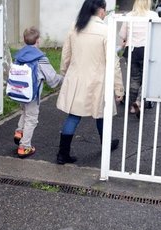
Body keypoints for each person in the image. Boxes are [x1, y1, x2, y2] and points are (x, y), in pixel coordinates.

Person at [56, 0, 124, 165]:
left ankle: (62, 153)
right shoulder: (105, 30)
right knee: (101, 115)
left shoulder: (75, 26)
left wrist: (64, 72)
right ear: (101, 10)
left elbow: (66, 54)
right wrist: (118, 89)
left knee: (73, 116)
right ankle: (105, 145)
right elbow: (113, 63)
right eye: (105, 10)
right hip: (97, 82)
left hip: (76, 78)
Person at [12, 26, 63, 158]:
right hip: (32, 94)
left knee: (25, 112)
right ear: (38, 41)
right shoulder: (40, 58)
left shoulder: (19, 55)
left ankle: (19, 132)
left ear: (24, 40)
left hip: (19, 91)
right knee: (32, 119)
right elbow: (52, 78)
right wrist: (65, 80)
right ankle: (25, 147)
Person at [119, 0, 159, 118]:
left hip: (132, 51)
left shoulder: (129, 16)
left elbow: (122, 34)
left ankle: (132, 106)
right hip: (147, 50)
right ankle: (139, 102)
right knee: (146, 79)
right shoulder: (153, 15)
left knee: (134, 79)